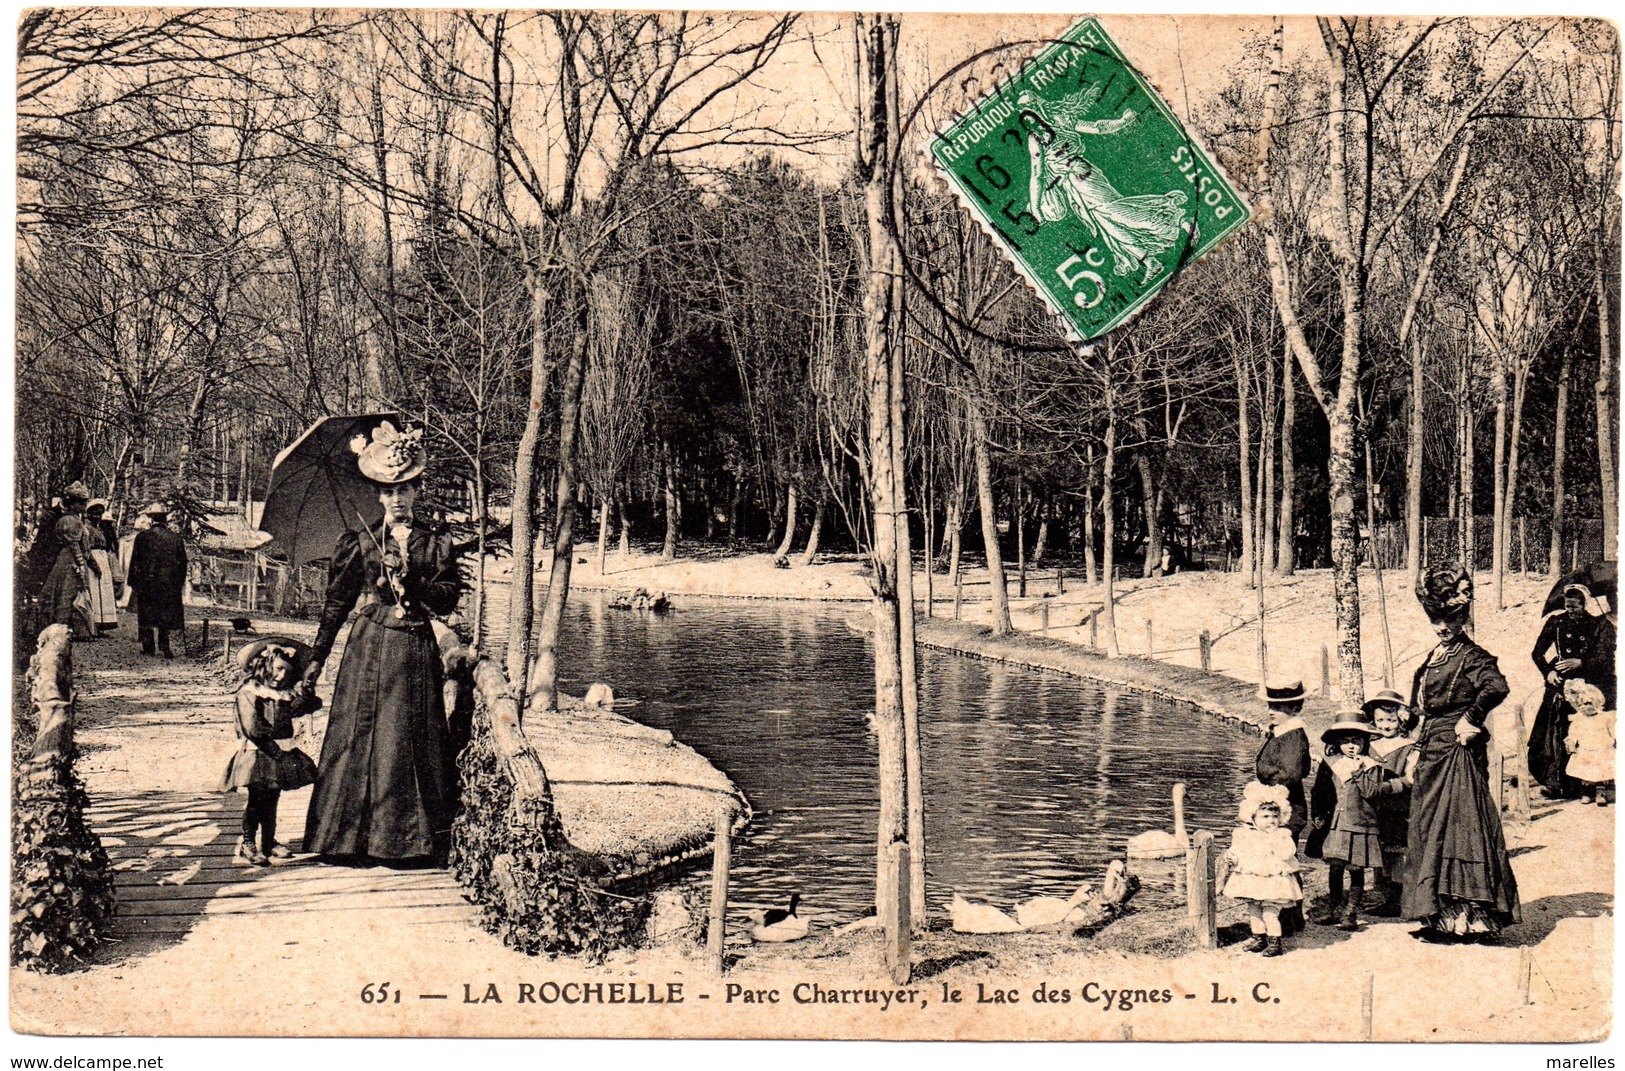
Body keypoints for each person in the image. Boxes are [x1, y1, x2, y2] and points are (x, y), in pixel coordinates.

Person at [303, 422, 464, 864]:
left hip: (413, 647)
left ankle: (407, 844)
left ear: (417, 491)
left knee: (407, 739)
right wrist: (318, 657)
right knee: (361, 736)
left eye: (406, 490)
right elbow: (336, 602)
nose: (398, 499)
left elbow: (449, 597)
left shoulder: (435, 541)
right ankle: (347, 841)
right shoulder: (359, 540)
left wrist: (418, 585)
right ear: (377, 494)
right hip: (369, 646)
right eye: (389, 491)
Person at [1403, 565, 1520, 943]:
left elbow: (1496, 687)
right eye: (1437, 619)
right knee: (1429, 828)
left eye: (1451, 619)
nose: (1442, 627)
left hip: (1459, 750)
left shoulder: (1471, 655)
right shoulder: (1435, 654)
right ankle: (1440, 918)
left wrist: (1471, 719)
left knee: (1460, 829)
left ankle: (1473, 919)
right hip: (1433, 747)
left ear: (1463, 618)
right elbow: (1422, 703)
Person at [221, 637, 320, 866]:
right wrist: (275, 751)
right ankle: (248, 843)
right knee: (257, 800)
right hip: (259, 753)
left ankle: (268, 841)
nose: (281, 676)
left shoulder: (283, 694)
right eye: (277, 670)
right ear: (264, 665)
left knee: (273, 799)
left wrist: (306, 693)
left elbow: (305, 707)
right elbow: (252, 727)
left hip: (279, 753)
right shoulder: (250, 692)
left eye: (287, 672)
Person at [1307, 712, 1403, 931]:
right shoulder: (1332, 762)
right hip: (1337, 824)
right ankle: (1334, 909)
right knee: (1335, 868)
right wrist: (1318, 814)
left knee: (1356, 869)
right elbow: (1319, 790)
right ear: (1337, 743)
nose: (1351, 747)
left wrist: (1358, 771)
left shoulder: (1371, 765)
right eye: (1346, 741)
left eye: (1357, 741)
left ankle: (1350, 912)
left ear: (1365, 742)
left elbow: (1371, 792)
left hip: (1360, 824)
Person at [1529, 584, 1616, 799]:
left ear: (1584, 604)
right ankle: (1558, 784)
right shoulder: (1556, 623)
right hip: (1561, 684)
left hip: (1593, 686)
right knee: (1557, 733)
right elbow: (1537, 653)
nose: (1570, 611)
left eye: (1575, 607)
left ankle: (1599, 784)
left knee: (1595, 733)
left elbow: (1606, 658)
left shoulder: (1600, 625)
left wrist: (1581, 662)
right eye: (1567, 607)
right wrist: (1548, 672)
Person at [1220, 781, 1303, 958]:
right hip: (1253, 880)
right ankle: (1259, 938)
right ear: (1253, 818)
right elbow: (1238, 850)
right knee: (1254, 909)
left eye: (1274, 816)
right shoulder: (1246, 834)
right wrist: (1232, 855)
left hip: (1274, 882)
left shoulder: (1282, 835)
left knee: (1270, 912)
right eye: (1265, 817)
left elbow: (1288, 853)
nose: (1271, 821)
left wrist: (1275, 842)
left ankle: (1275, 942)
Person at [1365, 689, 1418, 915]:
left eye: (1390, 720)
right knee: (1381, 849)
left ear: (1401, 720)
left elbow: (1410, 778)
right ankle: (1384, 892)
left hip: (1397, 804)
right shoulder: (1369, 745)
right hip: (1374, 807)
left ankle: (1397, 897)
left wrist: (1386, 787)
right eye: (1380, 720)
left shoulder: (1409, 746)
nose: (1385, 725)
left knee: (1397, 851)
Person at [32, 481, 98, 640]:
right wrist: (81, 563)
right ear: (72, 504)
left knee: (74, 592)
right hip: (69, 559)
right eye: (80, 503)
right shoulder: (69, 520)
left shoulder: (75, 519)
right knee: (68, 592)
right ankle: (61, 626)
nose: (83, 506)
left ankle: (73, 628)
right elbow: (74, 544)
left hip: (71, 558)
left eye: (84, 503)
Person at [125, 503, 188, 658]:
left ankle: (148, 647)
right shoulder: (176, 538)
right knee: (165, 614)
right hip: (169, 584)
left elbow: (135, 562)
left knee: (146, 614)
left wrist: (133, 582)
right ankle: (165, 647)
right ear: (165, 519)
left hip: (148, 583)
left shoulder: (142, 537)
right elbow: (183, 563)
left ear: (151, 519)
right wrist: (179, 583)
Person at [1563, 680, 1615, 807]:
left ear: (1596, 702)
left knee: (1601, 772)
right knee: (1585, 772)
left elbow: (1613, 731)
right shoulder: (1579, 719)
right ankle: (1587, 792)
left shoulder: (1605, 717)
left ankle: (1600, 793)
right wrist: (1571, 743)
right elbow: (1573, 733)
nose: (1584, 707)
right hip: (1585, 749)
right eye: (1580, 704)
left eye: (1587, 703)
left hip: (1602, 749)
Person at [82, 500, 122, 634]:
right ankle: (93, 625)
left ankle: (102, 624)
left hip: (102, 557)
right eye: (94, 514)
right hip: (93, 558)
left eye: (99, 514)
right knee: (94, 590)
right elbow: (86, 548)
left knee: (104, 590)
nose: (97, 517)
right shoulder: (86, 528)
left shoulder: (99, 528)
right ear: (88, 514)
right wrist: (94, 564)